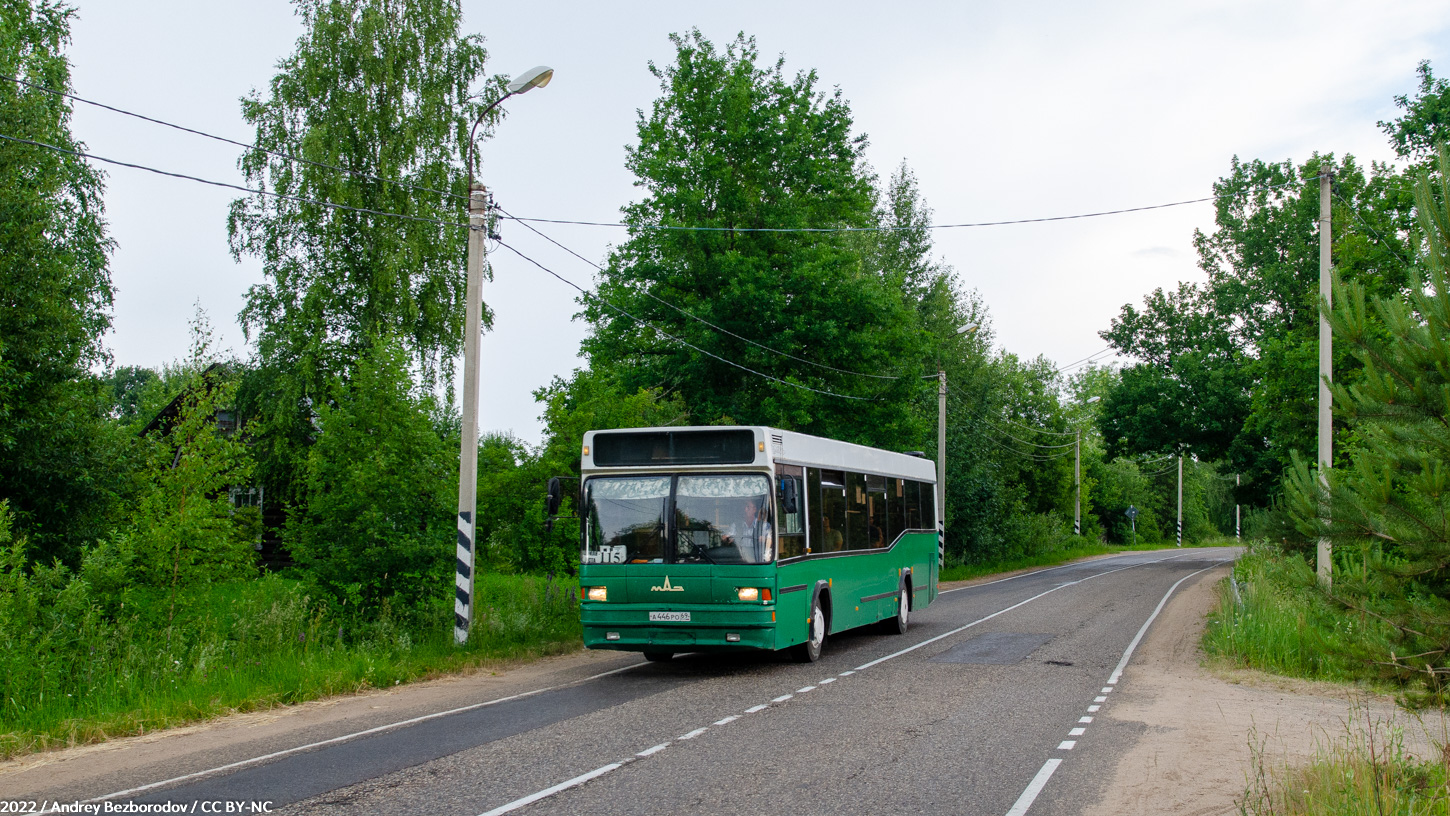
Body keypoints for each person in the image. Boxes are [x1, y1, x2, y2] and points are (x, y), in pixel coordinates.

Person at [723, 496, 773, 562]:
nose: (745, 510)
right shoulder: (736, 525)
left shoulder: (764, 526)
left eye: (747, 507)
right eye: (743, 507)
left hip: (758, 559)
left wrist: (764, 539)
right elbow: (726, 537)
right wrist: (727, 538)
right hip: (741, 558)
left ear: (754, 509)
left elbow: (771, 541)